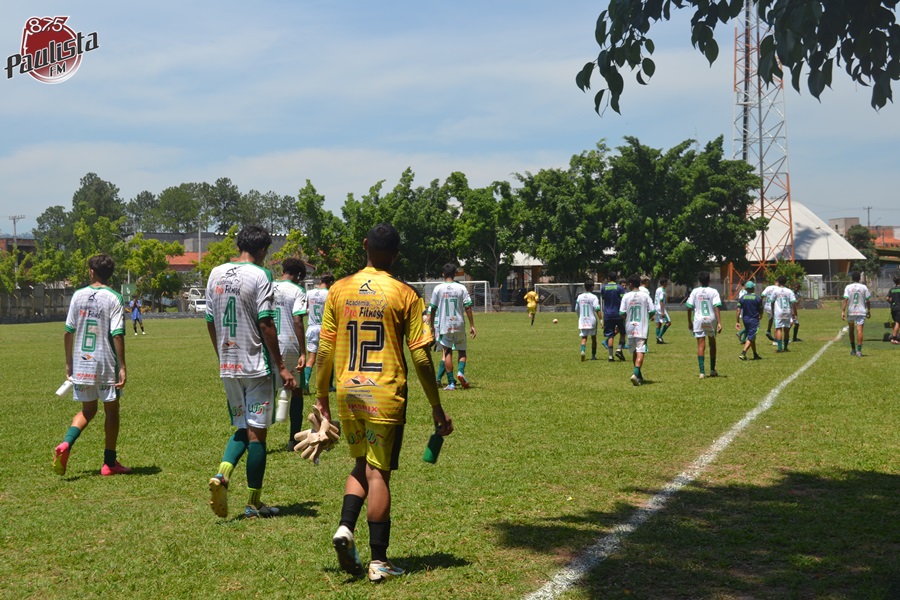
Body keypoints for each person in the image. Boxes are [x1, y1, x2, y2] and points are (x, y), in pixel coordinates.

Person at [315, 223, 453, 582]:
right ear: (396, 254)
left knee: (361, 463)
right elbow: (420, 356)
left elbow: (325, 348)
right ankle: (378, 561)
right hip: (384, 394)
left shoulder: (338, 289)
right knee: (379, 473)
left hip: (348, 391)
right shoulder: (405, 293)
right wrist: (436, 405)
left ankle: (345, 528)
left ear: (365, 245)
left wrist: (321, 397)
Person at [205, 225, 296, 519]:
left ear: (238, 245)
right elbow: (266, 323)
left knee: (243, 427)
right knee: (257, 434)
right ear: (263, 250)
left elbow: (209, 320)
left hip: (228, 364)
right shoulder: (261, 274)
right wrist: (281, 367)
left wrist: (221, 354)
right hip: (255, 365)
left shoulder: (215, 273)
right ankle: (254, 504)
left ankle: (222, 475)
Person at [53, 254, 131, 477]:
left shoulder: (78, 295)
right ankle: (109, 463)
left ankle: (66, 443)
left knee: (88, 410)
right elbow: (117, 334)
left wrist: (69, 362)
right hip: (105, 362)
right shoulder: (114, 297)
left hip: (82, 362)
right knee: (112, 410)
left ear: (91, 272)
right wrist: (122, 366)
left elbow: (68, 331)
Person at [274, 258, 308, 451]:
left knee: (265, 390)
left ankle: (257, 438)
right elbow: (297, 320)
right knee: (296, 390)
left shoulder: (268, 286)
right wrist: (303, 351)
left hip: (268, 343)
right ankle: (293, 439)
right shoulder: (298, 291)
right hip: (289, 343)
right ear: (299, 275)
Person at [429, 263, 477, 390]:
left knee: (447, 352)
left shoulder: (438, 288)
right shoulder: (461, 288)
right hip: (459, 323)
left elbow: (433, 308)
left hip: (445, 325)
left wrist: (432, 325)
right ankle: (460, 372)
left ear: (443, 274)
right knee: (462, 350)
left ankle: (451, 383)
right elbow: (468, 306)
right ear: (455, 274)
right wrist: (472, 325)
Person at [686, 271, 723, 379]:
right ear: (709, 280)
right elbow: (717, 306)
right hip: (710, 319)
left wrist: (689, 321)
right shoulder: (714, 291)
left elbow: (689, 307)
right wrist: (719, 322)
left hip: (699, 320)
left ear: (699, 280)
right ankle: (712, 369)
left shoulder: (695, 291)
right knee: (712, 343)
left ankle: (702, 372)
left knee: (701, 345)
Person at [619, 274, 655, 385]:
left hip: (630, 327)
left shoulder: (626, 296)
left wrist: (627, 318)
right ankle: (635, 373)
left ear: (630, 284)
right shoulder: (645, 296)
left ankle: (638, 376)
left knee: (634, 351)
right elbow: (652, 311)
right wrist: (645, 317)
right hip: (641, 327)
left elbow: (621, 313)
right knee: (641, 350)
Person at [303, 273, 335, 394]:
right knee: (328, 358)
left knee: (311, 358)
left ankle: (305, 382)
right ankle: (328, 385)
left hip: (312, 328)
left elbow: (305, 309)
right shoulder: (329, 294)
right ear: (330, 282)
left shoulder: (309, 293)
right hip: (325, 328)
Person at [841, 271, 872, 357]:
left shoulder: (848, 287)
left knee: (851, 330)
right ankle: (859, 351)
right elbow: (868, 300)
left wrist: (843, 311)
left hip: (851, 311)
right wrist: (868, 310)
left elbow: (845, 299)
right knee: (860, 330)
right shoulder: (864, 287)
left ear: (852, 278)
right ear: (859, 278)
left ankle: (853, 349)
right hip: (861, 311)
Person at [599, 271, 627, 362]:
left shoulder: (604, 287)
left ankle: (610, 356)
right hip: (618, 314)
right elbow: (624, 299)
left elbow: (603, 298)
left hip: (608, 314)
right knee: (622, 333)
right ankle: (619, 349)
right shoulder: (620, 288)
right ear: (616, 278)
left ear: (608, 278)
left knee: (610, 335)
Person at [736, 280, 764, 361]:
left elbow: (738, 311)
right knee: (751, 337)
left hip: (745, 320)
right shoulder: (757, 298)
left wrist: (737, 321)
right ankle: (743, 353)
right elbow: (761, 309)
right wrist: (761, 315)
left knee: (752, 337)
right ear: (753, 288)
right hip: (754, 320)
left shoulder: (742, 298)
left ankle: (755, 354)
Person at [575, 279, 601, 361]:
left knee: (584, 338)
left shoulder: (579, 297)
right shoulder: (594, 297)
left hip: (582, 320)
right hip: (592, 320)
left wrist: (579, 316)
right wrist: (601, 320)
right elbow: (597, 309)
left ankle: (582, 351)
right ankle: (593, 356)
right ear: (592, 287)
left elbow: (576, 308)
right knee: (593, 338)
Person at [770, 276, 798, 353]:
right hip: (787, 311)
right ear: (785, 282)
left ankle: (779, 348)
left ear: (778, 282)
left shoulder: (775, 291)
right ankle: (785, 347)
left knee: (778, 329)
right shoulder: (789, 291)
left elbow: (771, 301)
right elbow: (793, 303)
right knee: (786, 330)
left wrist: (772, 311)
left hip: (778, 312)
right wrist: (794, 313)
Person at [654, 277, 671, 344]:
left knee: (658, 323)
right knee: (668, 322)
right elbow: (661, 301)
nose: (667, 284)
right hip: (660, 308)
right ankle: (659, 336)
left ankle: (658, 341)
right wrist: (663, 312)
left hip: (656, 307)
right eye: (667, 282)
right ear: (664, 283)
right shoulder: (662, 291)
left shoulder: (658, 289)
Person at [889, 274, 900, 344]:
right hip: (899, 308)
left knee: (897, 322)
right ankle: (894, 338)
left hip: (893, 308)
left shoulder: (892, 289)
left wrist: (892, 303)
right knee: (898, 323)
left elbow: (887, 298)